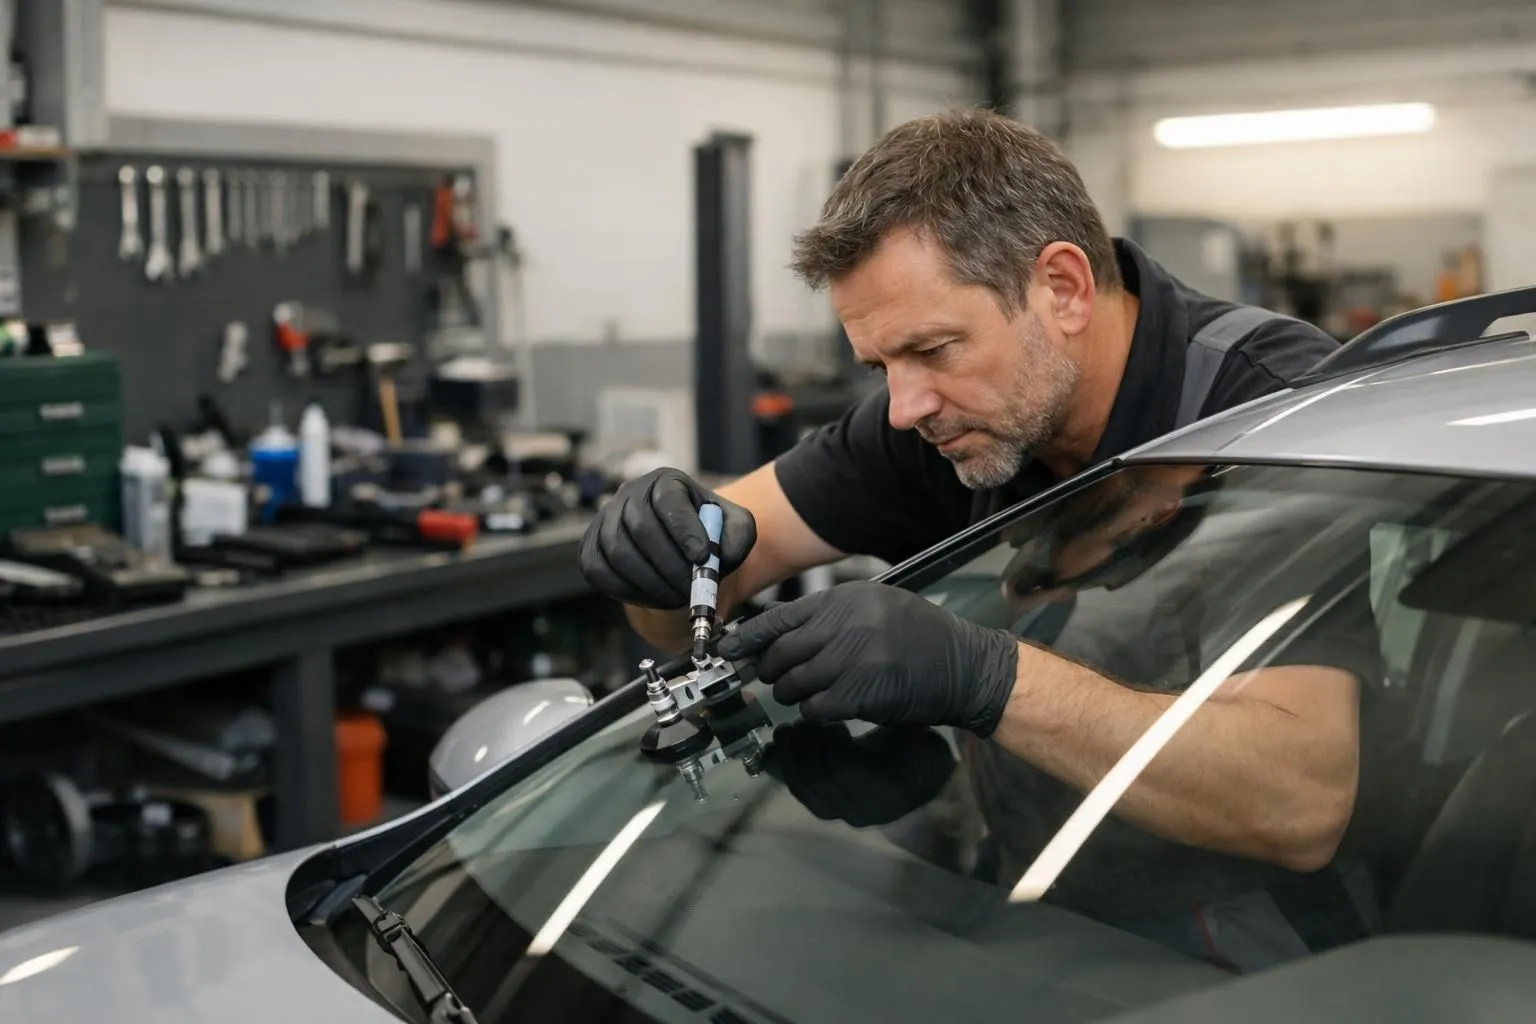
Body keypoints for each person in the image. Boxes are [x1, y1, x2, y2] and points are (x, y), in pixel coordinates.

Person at [579, 107, 1371, 966]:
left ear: (1062, 289)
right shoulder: (938, 417)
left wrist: (982, 678)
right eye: (881, 366)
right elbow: (712, 577)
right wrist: (658, 568)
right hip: (1035, 904)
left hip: (1256, 947)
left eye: (935, 348)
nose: (905, 404)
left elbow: (1300, 800)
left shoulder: (1269, 412)